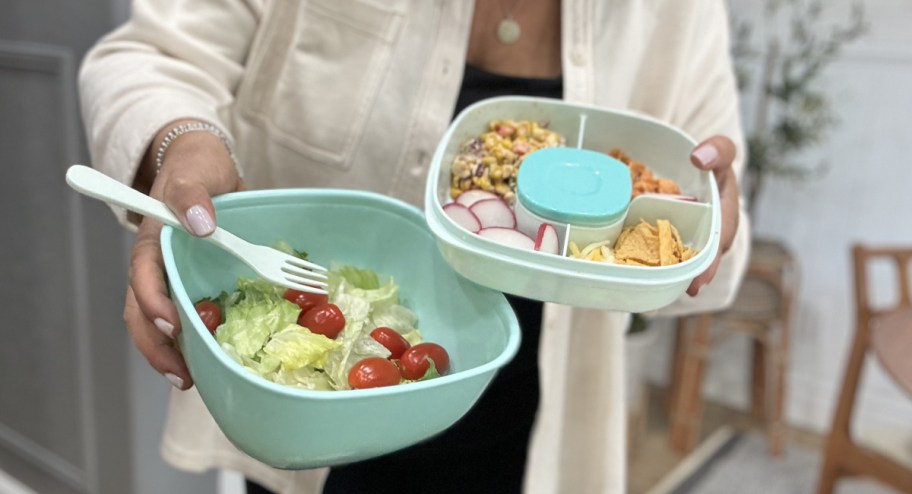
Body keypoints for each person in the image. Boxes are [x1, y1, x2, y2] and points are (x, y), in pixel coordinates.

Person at [78, 0, 750, 492]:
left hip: (528, 424)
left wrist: (712, 217)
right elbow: (151, 57)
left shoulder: (679, 12)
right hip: (313, 412)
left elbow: (709, 240)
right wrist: (181, 143)